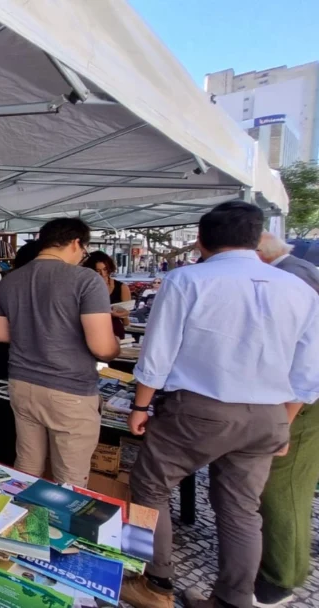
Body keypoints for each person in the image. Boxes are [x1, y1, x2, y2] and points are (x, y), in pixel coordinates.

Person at [122, 203, 319, 608]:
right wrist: (283, 423)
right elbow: (307, 373)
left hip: (198, 410)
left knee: (149, 486)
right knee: (242, 509)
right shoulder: (299, 289)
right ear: (256, 239)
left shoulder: (186, 280)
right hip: (268, 415)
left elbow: (157, 356)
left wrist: (140, 408)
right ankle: (232, 599)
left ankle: (155, 583)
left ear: (201, 239)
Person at [0, 218, 119, 487]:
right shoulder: (86, 280)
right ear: (75, 243)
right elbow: (103, 348)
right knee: (70, 479)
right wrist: (115, 345)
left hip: (22, 384)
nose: (83, 256)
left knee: (26, 465)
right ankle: (61, 528)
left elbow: (1, 335)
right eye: (84, 250)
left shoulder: (9, 280)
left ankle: (22, 524)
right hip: (70, 389)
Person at [253, 232, 319, 607]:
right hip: (294, 396)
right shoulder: (296, 272)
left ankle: (280, 579)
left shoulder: (291, 278)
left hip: (301, 400)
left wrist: (284, 421)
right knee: (282, 484)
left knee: (284, 486)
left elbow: (308, 360)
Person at [0, 240, 42, 465]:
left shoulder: (40, 285)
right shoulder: (1, 280)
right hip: (1, 355)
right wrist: (0, 322)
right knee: (1, 406)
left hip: (24, 357)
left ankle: (8, 456)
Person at [83, 251, 131, 338]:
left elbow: (126, 321)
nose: (103, 274)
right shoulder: (85, 288)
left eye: (105, 269)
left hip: (114, 329)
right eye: (98, 271)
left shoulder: (122, 287)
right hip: (92, 330)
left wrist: (123, 315)